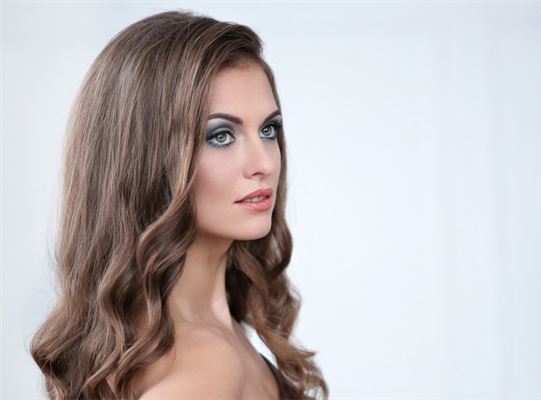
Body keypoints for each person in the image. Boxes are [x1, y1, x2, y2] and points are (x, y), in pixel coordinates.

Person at [29, 10, 328, 400]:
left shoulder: (202, 336)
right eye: (221, 136)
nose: (265, 164)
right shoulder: (206, 364)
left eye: (268, 130)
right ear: (146, 158)